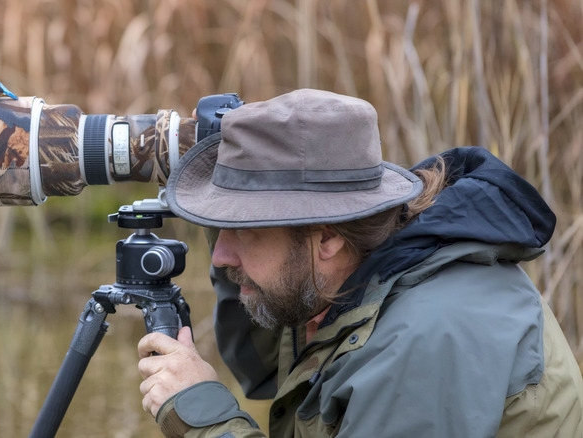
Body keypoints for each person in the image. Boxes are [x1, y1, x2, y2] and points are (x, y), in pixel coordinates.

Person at [136, 89, 583, 437]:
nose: (218, 255)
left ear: (327, 236)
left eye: (247, 231)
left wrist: (201, 417)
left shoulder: (426, 338)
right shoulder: (344, 282)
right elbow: (267, 369)